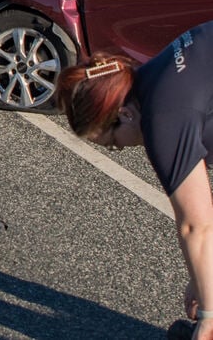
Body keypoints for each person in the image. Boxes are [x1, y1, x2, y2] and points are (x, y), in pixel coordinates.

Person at [55, 20, 213, 339]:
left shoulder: (162, 117)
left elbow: (195, 226)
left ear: (124, 114)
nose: (122, 148)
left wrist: (209, 317)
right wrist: (202, 276)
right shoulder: (155, 74)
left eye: (114, 143)